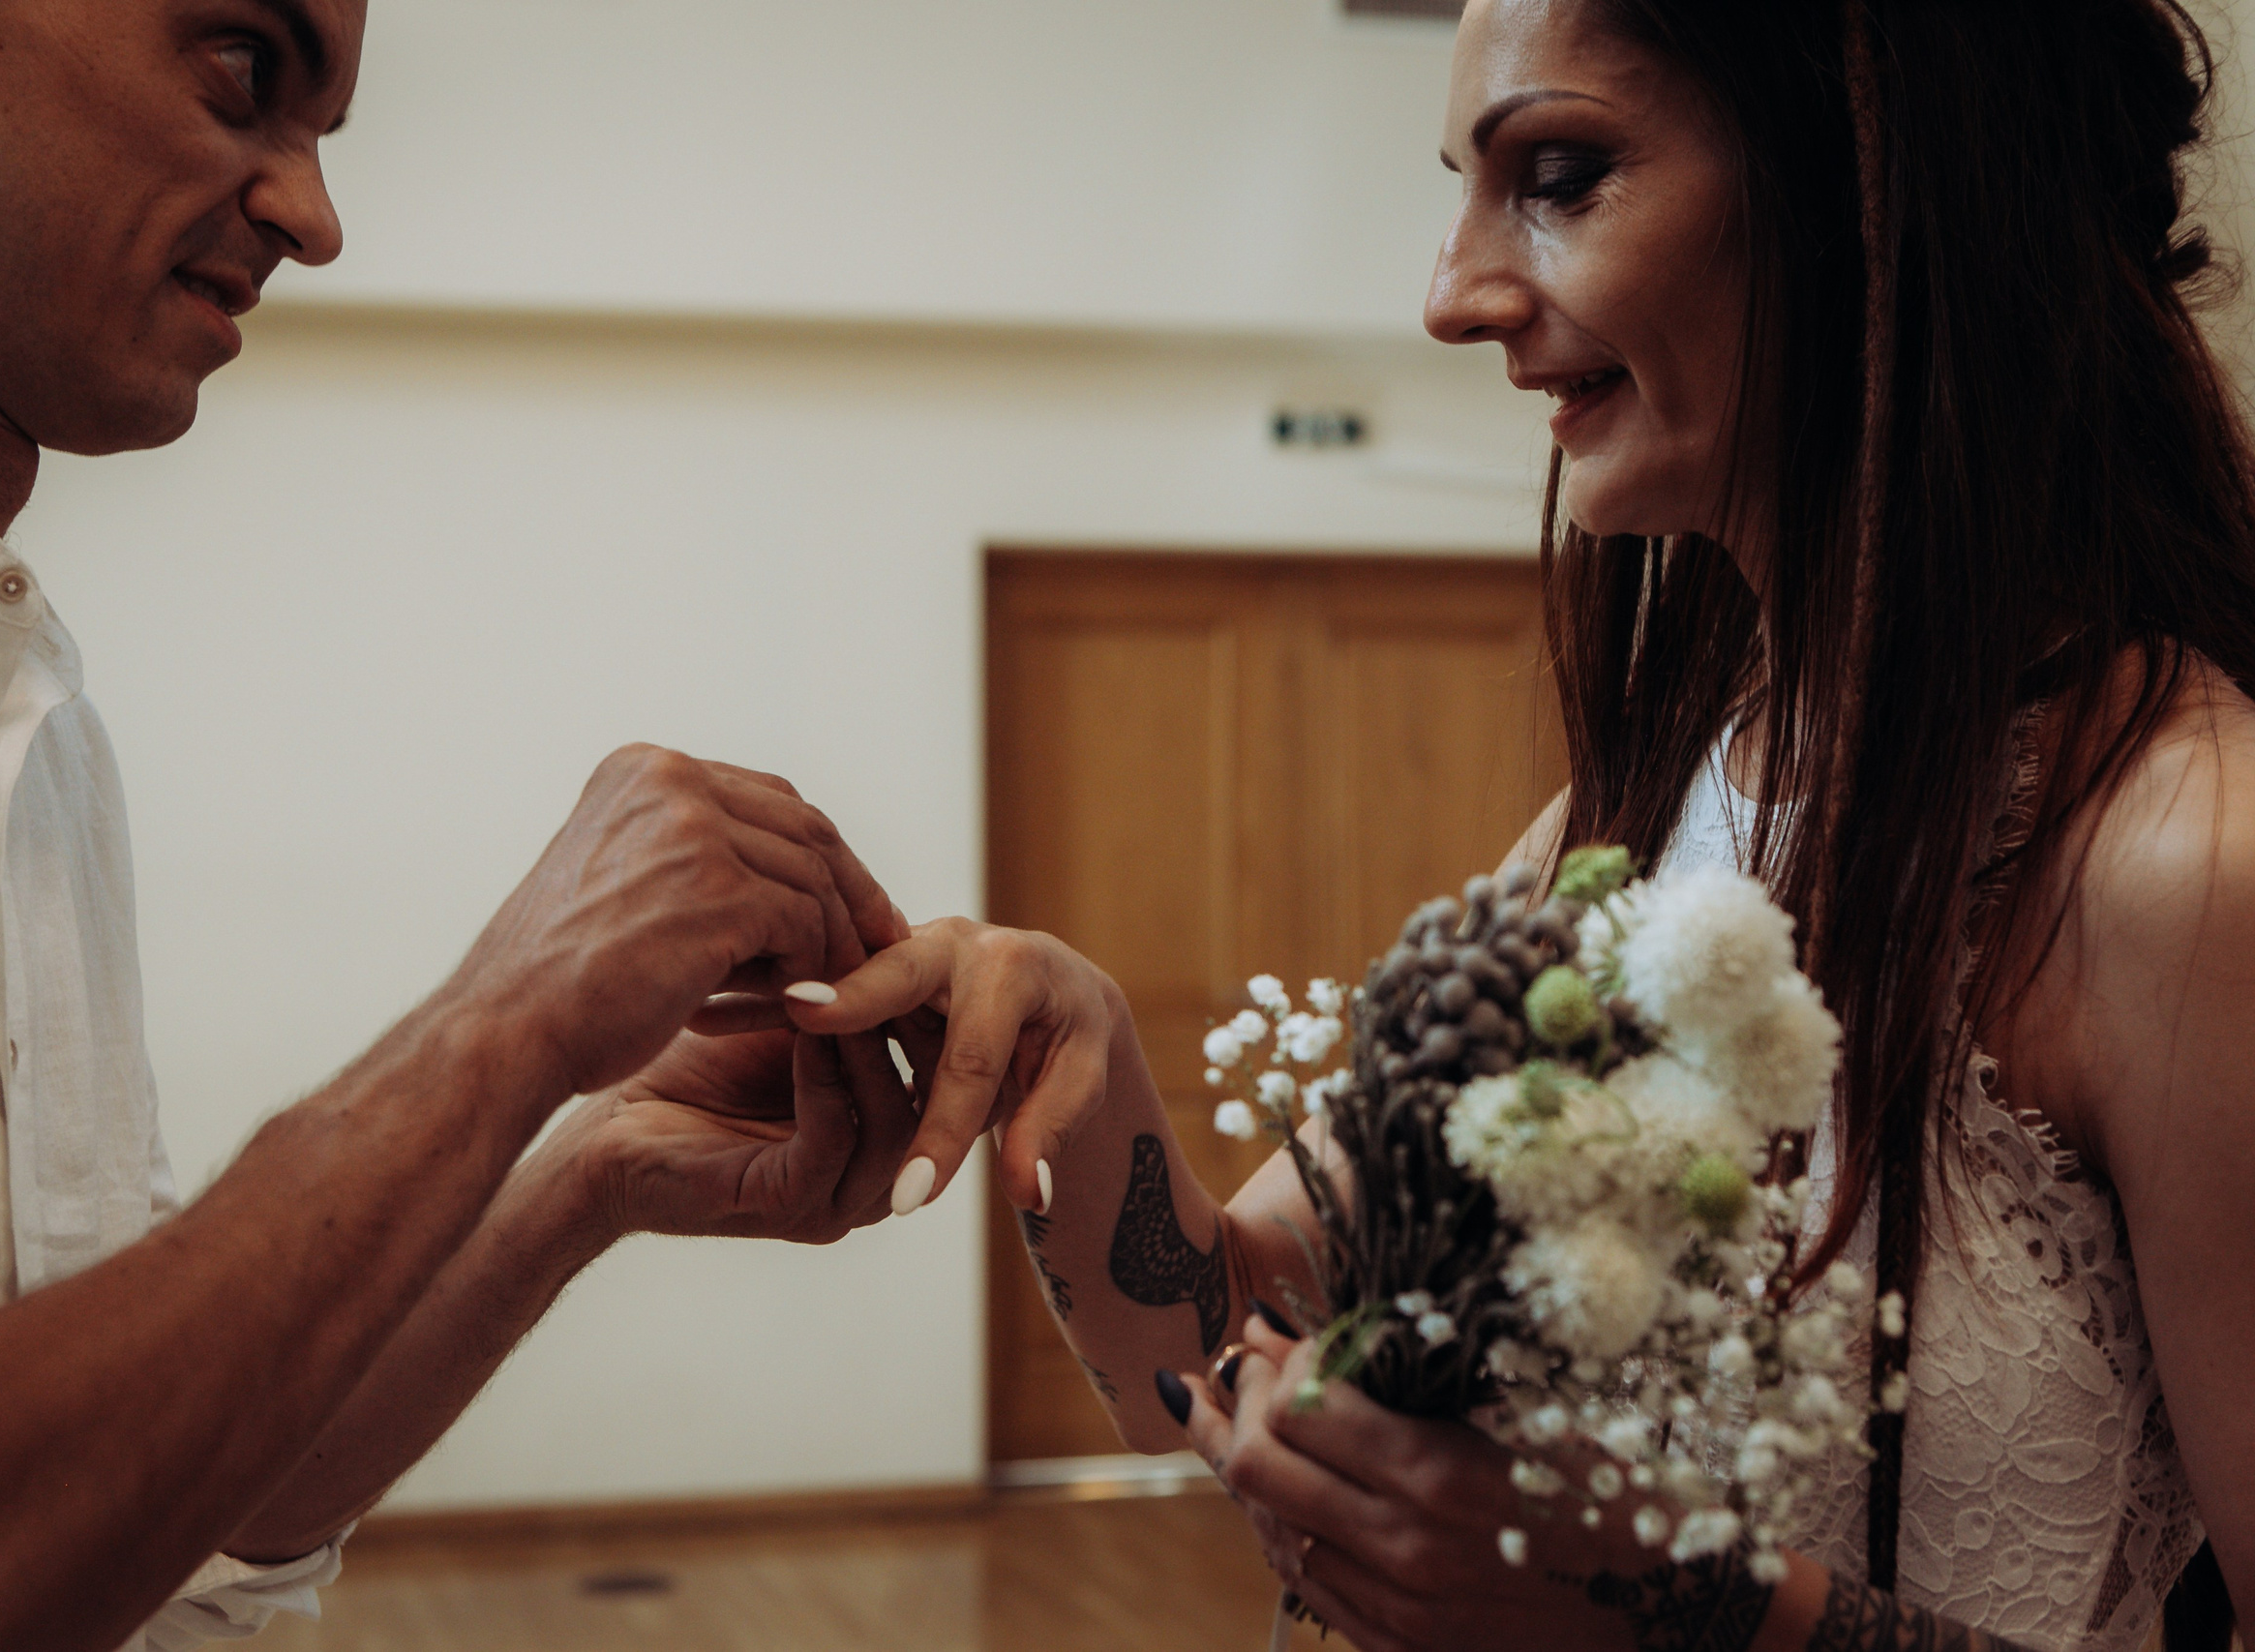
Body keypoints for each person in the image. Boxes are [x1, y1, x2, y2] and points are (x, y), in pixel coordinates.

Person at [785, 0, 2255, 1648]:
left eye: (1556, 175)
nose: (1450, 293)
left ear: (1874, 180)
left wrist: (1683, 1606)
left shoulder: (2186, 854)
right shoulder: (1616, 832)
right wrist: (1075, 1059)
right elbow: (1205, 1355)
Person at [0, 0, 934, 1648]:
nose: (314, 217)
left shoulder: (34, 711)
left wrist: (586, 1163)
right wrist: (506, 1021)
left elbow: (170, 1507)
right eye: (246, 66)